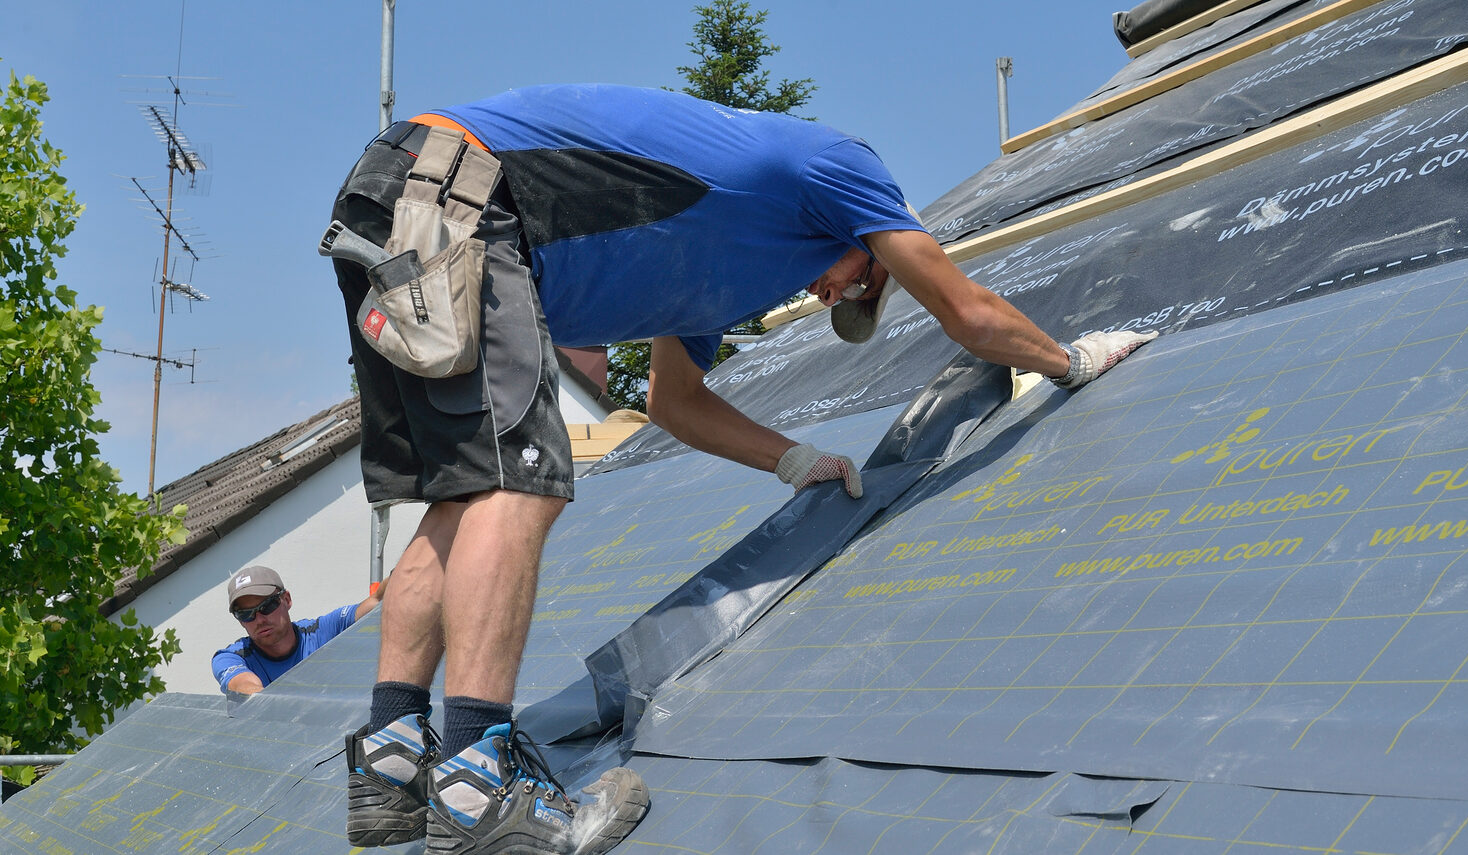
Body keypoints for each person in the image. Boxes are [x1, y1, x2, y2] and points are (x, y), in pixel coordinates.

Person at [326, 83, 1155, 855]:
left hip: (398, 206)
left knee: (461, 492)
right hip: (465, 194)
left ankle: (394, 761)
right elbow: (965, 309)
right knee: (520, 484)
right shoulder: (842, 167)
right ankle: (479, 785)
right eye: (862, 282)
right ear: (871, 240)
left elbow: (675, 403)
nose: (839, 295)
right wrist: (1068, 359)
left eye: (847, 305)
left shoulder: (707, 286)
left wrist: (792, 459)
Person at [212, 564, 385, 695]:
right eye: (245, 614)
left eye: (267, 606)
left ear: (286, 599)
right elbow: (245, 687)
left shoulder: (321, 631)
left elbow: (377, 601)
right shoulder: (232, 657)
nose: (259, 620)